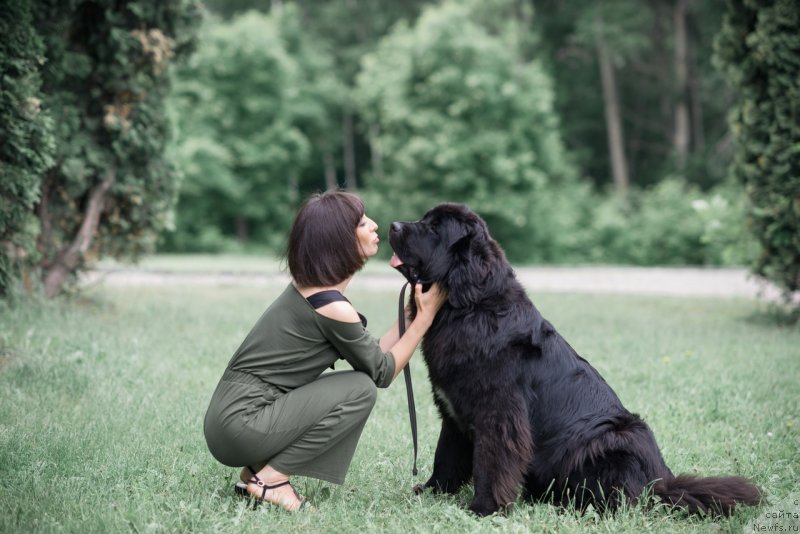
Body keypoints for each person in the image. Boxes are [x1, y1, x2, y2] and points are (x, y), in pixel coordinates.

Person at [203, 190, 447, 512]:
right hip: (241, 424)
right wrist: (426, 318)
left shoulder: (314, 292)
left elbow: (372, 357)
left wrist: (408, 316)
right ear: (339, 241)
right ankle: (271, 481)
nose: (374, 226)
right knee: (360, 390)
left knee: (359, 382)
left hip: (230, 422)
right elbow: (382, 373)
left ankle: (255, 471)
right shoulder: (331, 306)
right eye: (362, 223)